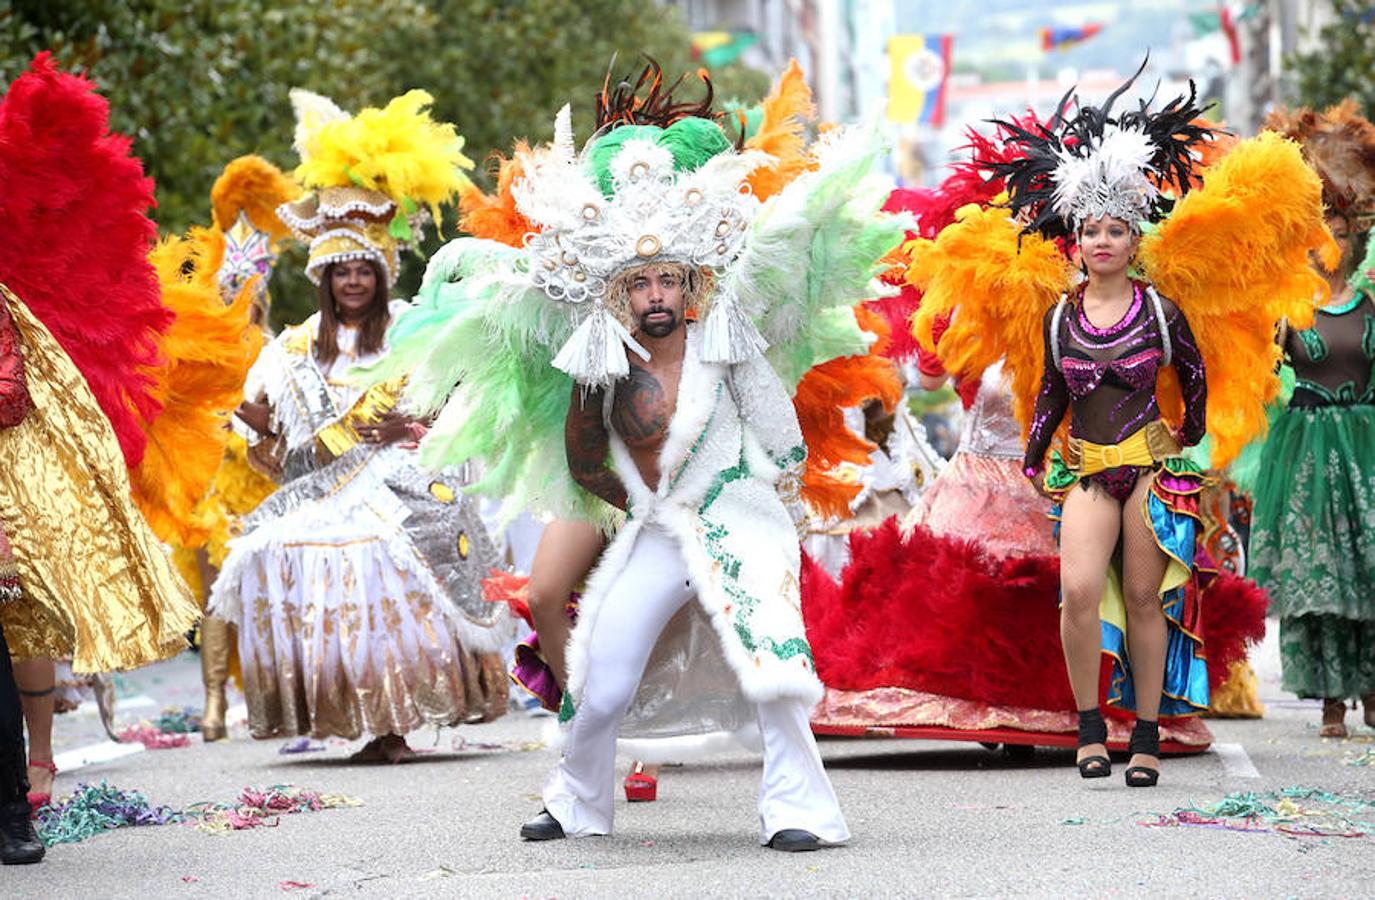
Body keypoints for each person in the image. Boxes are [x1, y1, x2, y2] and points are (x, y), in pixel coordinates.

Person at [363, 60, 905, 848]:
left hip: (739, 514)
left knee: (773, 665)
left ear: (690, 285)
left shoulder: (727, 339)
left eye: (667, 279)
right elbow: (585, 463)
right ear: (619, 292)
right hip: (656, 526)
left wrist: (776, 515)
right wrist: (639, 507)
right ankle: (576, 800)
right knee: (602, 676)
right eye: (640, 282)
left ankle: (800, 813)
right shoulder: (601, 360)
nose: (655, 294)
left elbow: (780, 434)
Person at [906, 62, 1335, 786]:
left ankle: (1141, 733)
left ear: (1133, 241)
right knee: (1075, 592)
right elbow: (1048, 397)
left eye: (1114, 231)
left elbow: (1192, 377)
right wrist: (1039, 453)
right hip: (1087, 472)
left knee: (1142, 597)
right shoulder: (1057, 317)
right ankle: (1086, 729)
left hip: (1149, 468)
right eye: (1090, 232)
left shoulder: (1160, 312)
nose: (1101, 242)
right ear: (1073, 243)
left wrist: (1187, 439)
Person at [208, 89, 510, 761]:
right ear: (324, 277)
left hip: (403, 481)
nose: (352, 281)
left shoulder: (411, 329)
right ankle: (353, 715)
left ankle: (396, 722)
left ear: (380, 272)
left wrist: (413, 424)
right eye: (339, 270)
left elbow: (458, 406)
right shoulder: (290, 349)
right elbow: (275, 449)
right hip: (325, 492)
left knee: (381, 552)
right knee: (268, 551)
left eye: (362, 270)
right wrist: (252, 421)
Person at [1250, 102, 1375, 737]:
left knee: (1368, 569)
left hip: (1367, 450)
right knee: (1317, 574)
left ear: (1356, 237)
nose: (1334, 235)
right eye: (1323, 223)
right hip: (1304, 456)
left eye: (1344, 225)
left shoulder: (1373, 303)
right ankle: (1329, 699)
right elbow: (1253, 370)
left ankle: (1372, 690)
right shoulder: (1286, 307)